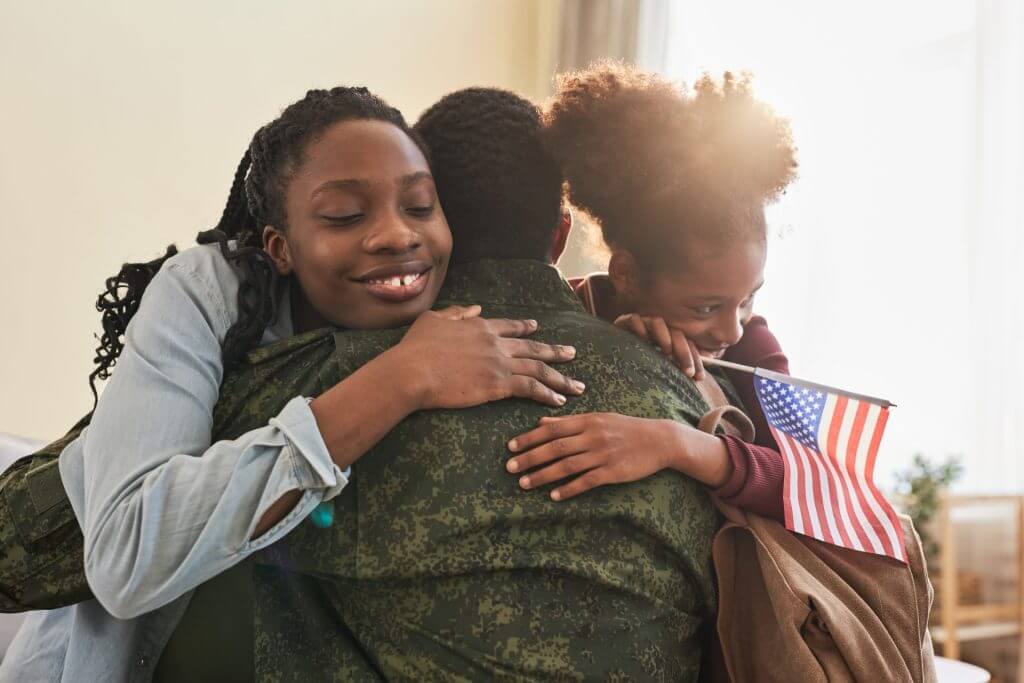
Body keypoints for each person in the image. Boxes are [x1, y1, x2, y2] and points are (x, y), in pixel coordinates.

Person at [0, 85, 581, 682]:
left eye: (420, 206)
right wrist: (399, 379)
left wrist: (622, 310)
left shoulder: (437, 290)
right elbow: (125, 559)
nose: (395, 235)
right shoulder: (209, 296)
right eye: (344, 216)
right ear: (280, 247)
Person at [226, 86, 727, 680]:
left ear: (433, 221)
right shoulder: (689, 394)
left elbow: (101, 533)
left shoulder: (326, 385)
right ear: (560, 236)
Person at [505, 64, 798, 521]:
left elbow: (812, 487)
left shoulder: (754, 349)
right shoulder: (566, 309)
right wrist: (616, 345)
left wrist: (674, 442)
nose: (731, 327)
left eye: (748, 298)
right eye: (705, 307)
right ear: (625, 273)